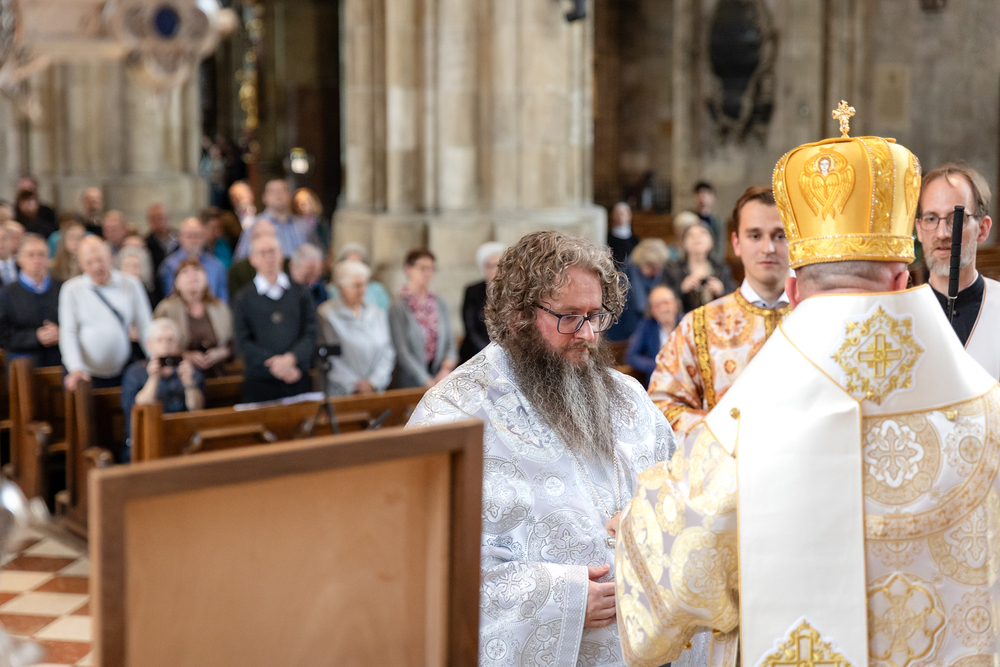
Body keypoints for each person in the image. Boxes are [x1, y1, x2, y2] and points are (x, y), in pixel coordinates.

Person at [616, 112, 1000, 667]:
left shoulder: (744, 426)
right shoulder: (988, 409)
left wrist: (630, 523)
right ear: (901, 279)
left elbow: (667, 579)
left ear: (794, 290)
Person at [406, 230, 675, 664]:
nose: (588, 334)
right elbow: (422, 565)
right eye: (569, 317)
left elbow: (679, 490)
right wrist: (562, 601)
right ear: (518, 316)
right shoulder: (454, 414)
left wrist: (648, 519)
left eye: (596, 315)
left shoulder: (627, 397)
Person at [649, 185, 790, 447]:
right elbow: (661, 407)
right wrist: (731, 433)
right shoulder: (697, 325)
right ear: (736, 243)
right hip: (724, 467)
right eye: (755, 235)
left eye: (780, 235)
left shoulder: (822, 319)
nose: (768, 247)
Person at [915, 163, 1000, 379]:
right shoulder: (901, 313)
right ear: (919, 230)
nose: (942, 233)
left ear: (983, 229)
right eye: (931, 219)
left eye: (956, 219)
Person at [59, 236, 152, 390]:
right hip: (86, 374)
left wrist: (153, 357)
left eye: (100, 260)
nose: (97, 267)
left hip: (124, 369)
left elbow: (145, 325)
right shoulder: (71, 289)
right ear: (81, 264)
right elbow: (68, 332)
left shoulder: (131, 283)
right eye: (89, 262)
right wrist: (75, 368)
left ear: (109, 257)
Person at [232, 233, 316, 402]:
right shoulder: (243, 298)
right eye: (262, 253)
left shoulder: (301, 293)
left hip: (297, 375)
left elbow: (311, 333)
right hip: (260, 382)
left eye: (272, 251)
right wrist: (275, 365)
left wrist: (291, 359)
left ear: (281, 254)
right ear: (252, 259)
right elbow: (242, 342)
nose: (269, 257)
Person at [120, 318, 204, 461]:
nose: (165, 345)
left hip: (182, 442)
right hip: (145, 441)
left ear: (178, 344)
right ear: (149, 344)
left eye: (170, 340)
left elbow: (197, 410)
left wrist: (189, 383)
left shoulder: (190, 372)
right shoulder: (135, 372)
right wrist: (153, 378)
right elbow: (137, 410)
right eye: (159, 340)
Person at [316, 260, 395, 395]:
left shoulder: (377, 313)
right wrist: (355, 385)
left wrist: (373, 382)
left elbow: (388, 351)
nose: (362, 290)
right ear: (341, 287)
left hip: (376, 391)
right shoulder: (327, 314)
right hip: (343, 393)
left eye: (364, 284)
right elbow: (330, 358)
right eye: (356, 286)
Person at [389, 249, 457, 388]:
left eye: (431, 268)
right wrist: (425, 380)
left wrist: (446, 369)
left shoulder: (439, 302)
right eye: (422, 268)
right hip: (410, 381)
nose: (427, 273)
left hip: (439, 376)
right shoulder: (398, 305)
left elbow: (450, 340)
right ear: (408, 269)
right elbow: (401, 350)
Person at [154, 259, 233, 378]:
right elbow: (155, 346)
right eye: (185, 272)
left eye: (197, 270)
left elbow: (235, 342)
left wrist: (222, 352)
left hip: (218, 373)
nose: (192, 275)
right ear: (176, 283)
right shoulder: (166, 309)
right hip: (179, 376)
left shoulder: (220, 308)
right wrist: (186, 356)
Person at [0, 233, 62, 367]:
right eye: (30, 255)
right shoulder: (6, 293)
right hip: (23, 363)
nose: (36, 260)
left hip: (59, 359)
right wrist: (36, 336)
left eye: (41, 254)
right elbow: (3, 335)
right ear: (19, 258)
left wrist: (61, 332)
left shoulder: (62, 288)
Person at [661, 220, 736, 313]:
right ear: (683, 243)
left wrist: (722, 291)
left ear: (711, 241)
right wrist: (681, 289)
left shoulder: (722, 269)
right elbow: (661, 300)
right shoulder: (672, 269)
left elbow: (736, 299)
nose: (697, 238)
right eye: (691, 235)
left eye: (702, 234)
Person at [606, 237, 671, 342]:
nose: (656, 272)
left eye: (659, 268)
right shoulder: (623, 279)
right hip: (624, 335)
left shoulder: (661, 277)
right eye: (652, 267)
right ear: (642, 263)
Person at [233, 179, 311, 260]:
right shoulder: (254, 226)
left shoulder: (303, 224)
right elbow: (240, 259)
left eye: (282, 190)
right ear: (264, 197)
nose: (278, 194)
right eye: (273, 191)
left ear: (289, 195)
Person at [158, 217, 229, 303]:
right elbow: (168, 298)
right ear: (180, 237)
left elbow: (223, 301)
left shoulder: (216, 265)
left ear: (203, 238)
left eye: (197, 236)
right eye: (189, 236)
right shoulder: (169, 265)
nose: (193, 240)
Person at [458, 241, 504, 363]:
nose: (497, 270)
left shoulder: (511, 291)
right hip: (477, 353)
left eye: (500, 265)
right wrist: (490, 354)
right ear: (483, 268)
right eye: (491, 266)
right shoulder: (472, 291)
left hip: (504, 354)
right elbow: (471, 329)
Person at [624, 285, 678, 387]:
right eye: (657, 305)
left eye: (666, 303)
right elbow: (631, 357)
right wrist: (658, 365)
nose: (663, 308)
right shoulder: (646, 326)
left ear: (675, 304)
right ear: (652, 310)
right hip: (659, 384)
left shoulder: (686, 323)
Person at [326, 243, 391, 311]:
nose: (355, 268)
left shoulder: (377, 289)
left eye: (358, 263)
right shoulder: (331, 290)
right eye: (350, 264)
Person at [119, 245, 162, 310]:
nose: (131, 271)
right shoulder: (114, 293)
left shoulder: (150, 298)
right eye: (126, 266)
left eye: (136, 266)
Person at [693, 180, 726, 263]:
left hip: (712, 262)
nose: (702, 198)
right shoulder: (691, 220)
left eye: (706, 194)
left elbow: (719, 248)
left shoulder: (718, 222)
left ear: (712, 197)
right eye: (699, 194)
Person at [288, 243, 327, 308]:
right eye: (308, 276)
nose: (312, 281)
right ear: (293, 267)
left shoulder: (319, 288)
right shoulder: (282, 290)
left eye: (316, 276)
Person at [144, 203, 177, 273]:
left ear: (168, 218)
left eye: (161, 217)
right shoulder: (146, 243)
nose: (159, 222)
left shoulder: (179, 239)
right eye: (154, 218)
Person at [51, 217, 85, 282]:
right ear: (64, 240)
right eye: (72, 237)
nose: (76, 242)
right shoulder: (53, 267)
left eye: (80, 238)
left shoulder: (89, 266)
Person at [606, 201, 639, 266]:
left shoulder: (635, 240)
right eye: (617, 213)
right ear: (612, 215)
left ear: (629, 215)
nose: (620, 216)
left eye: (623, 213)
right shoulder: (607, 238)